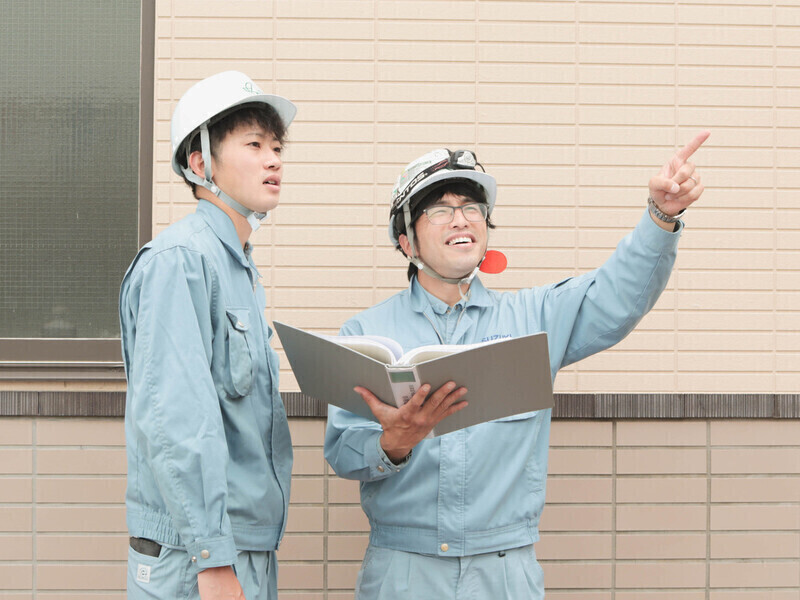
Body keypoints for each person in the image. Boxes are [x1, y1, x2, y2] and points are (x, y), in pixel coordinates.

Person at [324, 133, 709, 599]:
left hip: (505, 569)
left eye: (471, 207)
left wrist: (661, 216)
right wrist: (394, 444)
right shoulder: (367, 332)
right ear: (406, 242)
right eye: (440, 209)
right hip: (404, 569)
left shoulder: (534, 318)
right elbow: (343, 454)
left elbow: (617, 295)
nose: (461, 218)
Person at [119, 71, 296, 600]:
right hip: (197, 558)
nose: (274, 160)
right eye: (254, 144)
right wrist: (211, 556)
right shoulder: (181, 262)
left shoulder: (236, 268)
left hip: (238, 549)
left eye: (277, 146)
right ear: (200, 162)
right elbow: (176, 419)